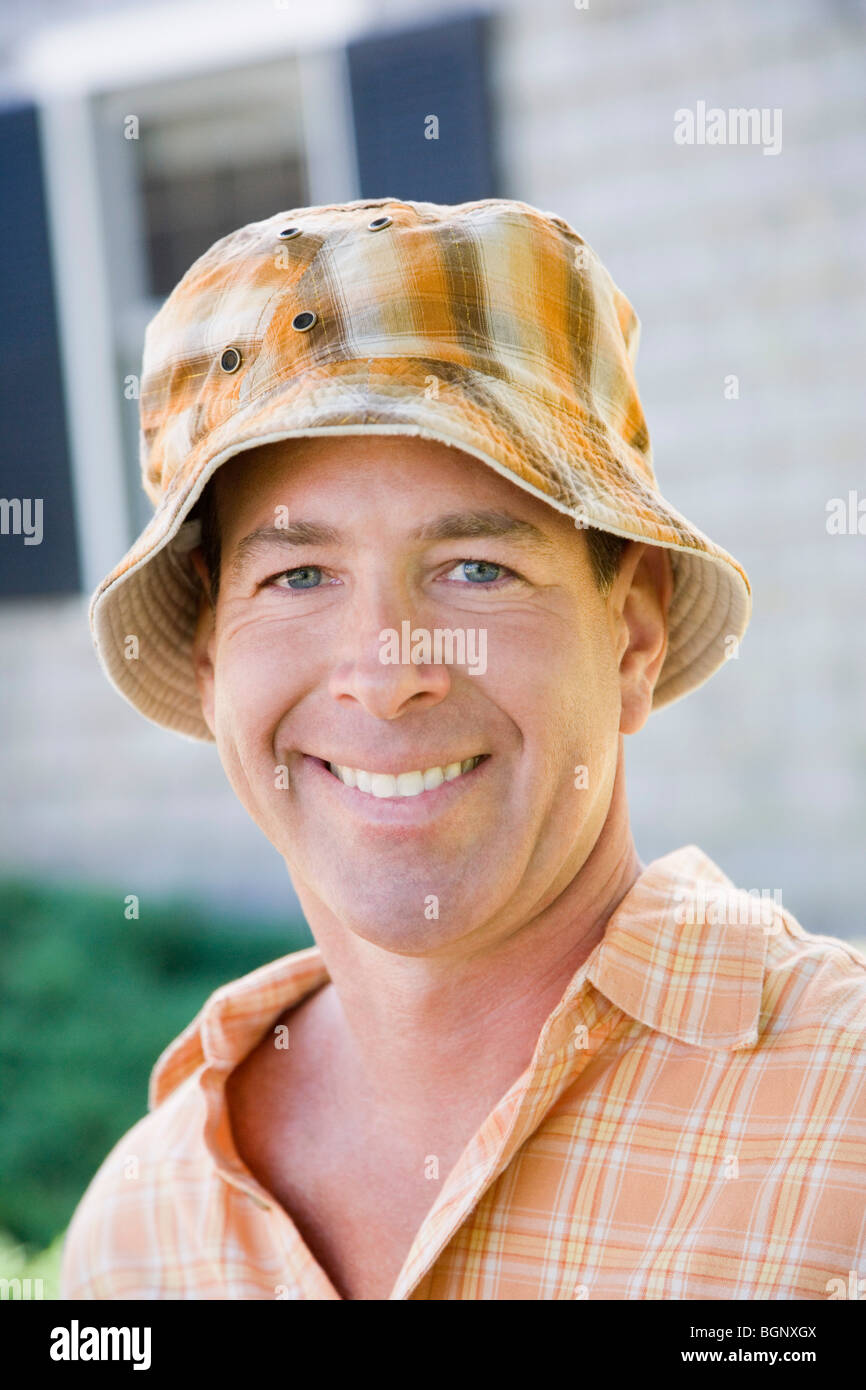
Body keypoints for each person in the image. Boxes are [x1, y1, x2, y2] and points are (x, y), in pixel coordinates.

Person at [61, 197, 865, 1301]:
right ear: (209, 661)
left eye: (477, 569)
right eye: (297, 576)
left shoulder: (843, 1123)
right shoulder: (144, 1232)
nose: (386, 672)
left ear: (629, 635)